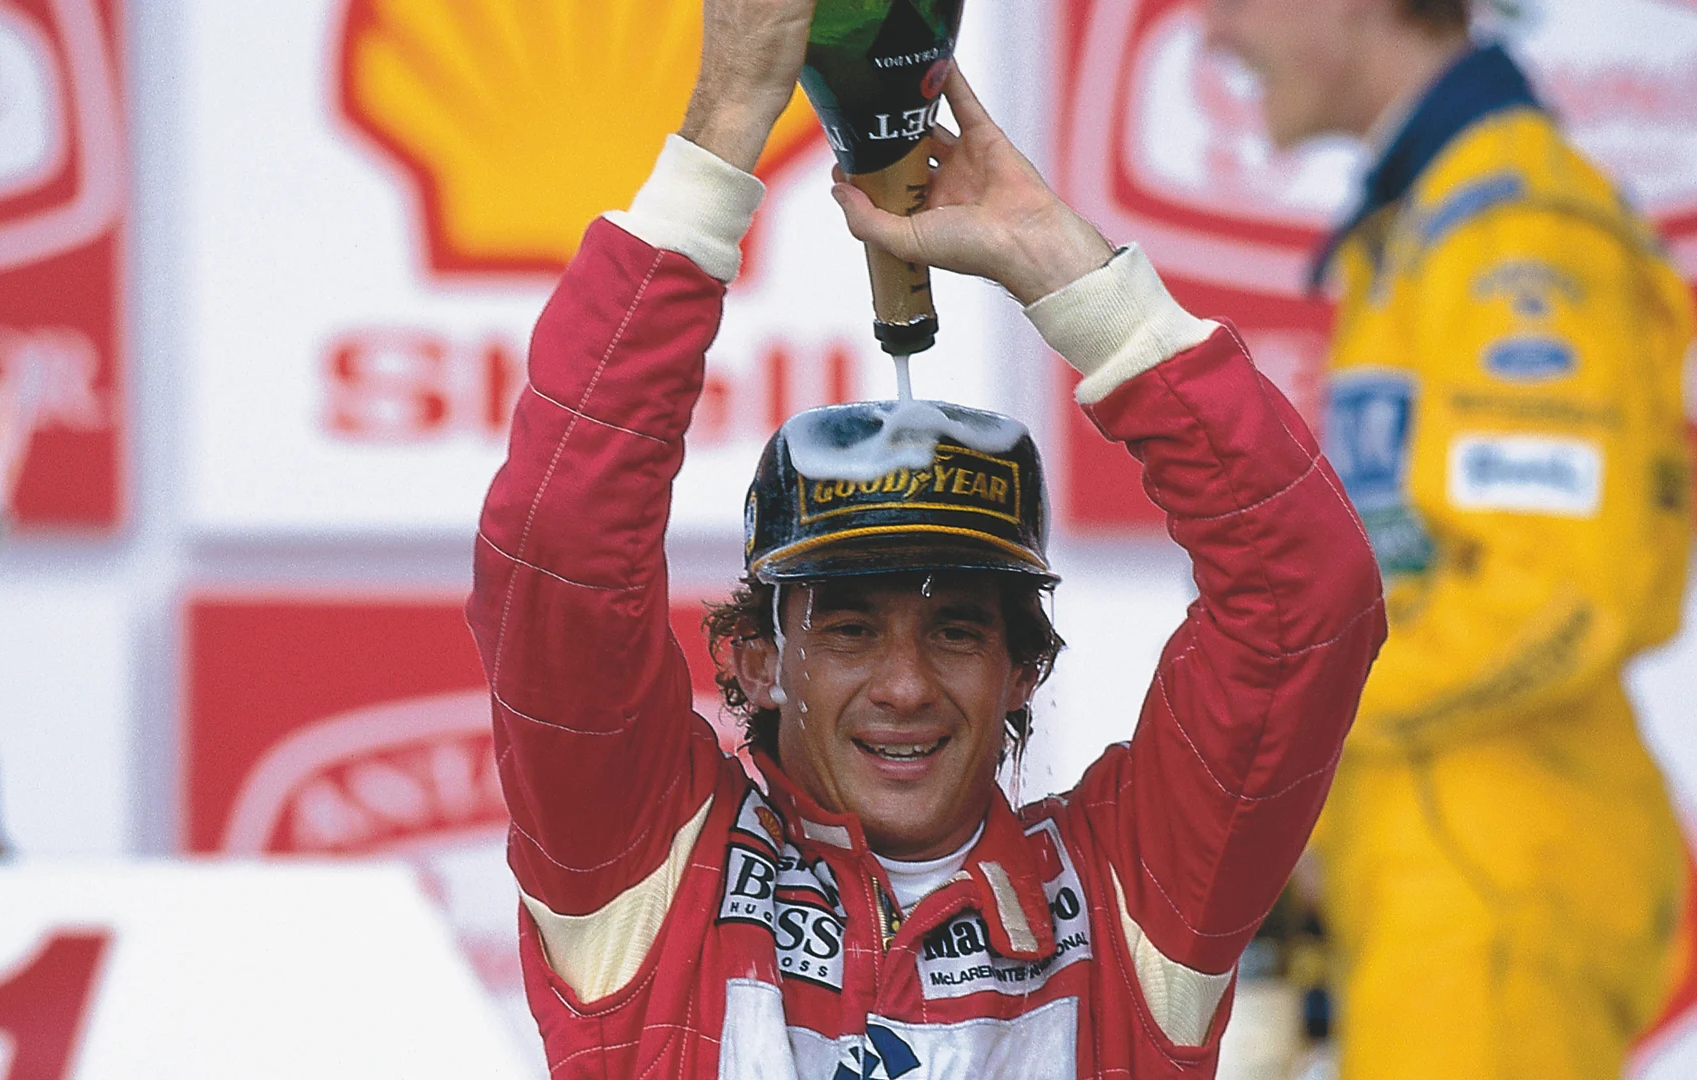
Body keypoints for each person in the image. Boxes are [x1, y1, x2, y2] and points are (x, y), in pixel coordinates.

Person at [467, 0, 1384, 1074]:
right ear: (761, 663)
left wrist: (1063, 265)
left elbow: (1308, 604)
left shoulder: (1132, 895)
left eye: (955, 631)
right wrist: (723, 127)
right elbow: (557, 544)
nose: (905, 685)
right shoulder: (652, 867)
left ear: (1023, 670)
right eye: (850, 630)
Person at [1203, 1, 1696, 1076]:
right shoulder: (1432, 219)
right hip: (1441, 866)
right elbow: (1424, 586)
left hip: (1495, 889)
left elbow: (1559, 594)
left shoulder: (1514, 230)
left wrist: (1291, 730)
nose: (1210, 33)